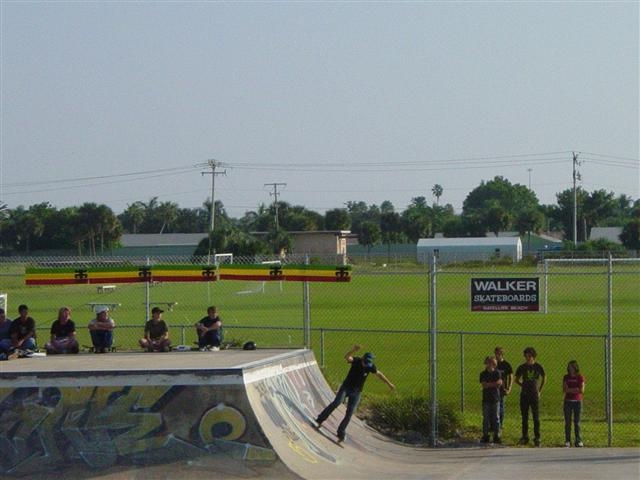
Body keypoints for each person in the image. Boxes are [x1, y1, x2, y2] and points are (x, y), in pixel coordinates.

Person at [315, 344, 395, 442]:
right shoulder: (356, 361)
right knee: (336, 403)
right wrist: (353, 350)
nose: (366, 365)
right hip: (346, 387)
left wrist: (389, 384)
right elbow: (347, 357)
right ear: (362, 359)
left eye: (368, 363)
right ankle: (320, 419)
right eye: (365, 362)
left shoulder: (370, 367)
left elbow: (379, 374)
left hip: (356, 392)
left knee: (350, 413)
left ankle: (341, 432)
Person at [514, 346, 546, 447]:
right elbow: (516, 379)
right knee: (524, 417)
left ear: (533, 356)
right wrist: (522, 385)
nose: (527, 358)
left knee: (536, 417)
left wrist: (539, 390)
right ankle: (525, 437)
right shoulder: (522, 367)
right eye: (526, 356)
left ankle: (537, 437)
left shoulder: (538, 366)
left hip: (534, 395)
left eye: (529, 356)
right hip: (524, 395)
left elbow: (544, 377)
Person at [479, 356, 503, 444]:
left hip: (495, 398)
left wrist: (489, 384)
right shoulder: (483, 374)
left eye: (493, 363)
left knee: (496, 418)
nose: (491, 365)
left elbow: (499, 384)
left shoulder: (497, 373)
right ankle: (486, 435)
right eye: (489, 363)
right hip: (486, 399)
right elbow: (484, 385)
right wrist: (493, 384)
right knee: (486, 418)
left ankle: (496, 436)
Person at [563, 360, 585, 448]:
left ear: (575, 368)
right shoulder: (566, 377)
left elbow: (581, 390)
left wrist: (572, 390)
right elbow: (565, 389)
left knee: (577, 422)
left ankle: (578, 440)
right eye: (569, 367)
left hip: (577, 401)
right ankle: (567, 440)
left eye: (572, 367)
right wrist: (575, 389)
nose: (571, 369)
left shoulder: (580, 377)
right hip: (568, 401)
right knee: (568, 422)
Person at [494, 346, 514, 430]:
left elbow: (511, 376)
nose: (496, 355)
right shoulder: (493, 363)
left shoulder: (506, 365)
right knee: (494, 407)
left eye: (498, 354)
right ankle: (494, 424)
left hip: (502, 389)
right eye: (495, 354)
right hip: (494, 389)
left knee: (501, 407)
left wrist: (509, 388)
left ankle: (500, 424)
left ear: (502, 354)